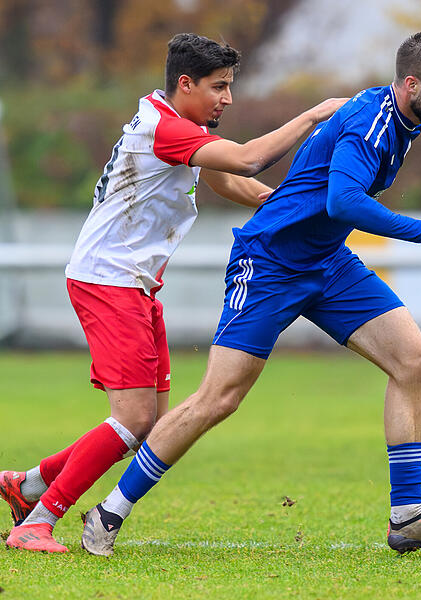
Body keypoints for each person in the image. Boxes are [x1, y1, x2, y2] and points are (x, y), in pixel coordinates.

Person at [80, 31, 421, 557]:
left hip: (327, 261)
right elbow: (343, 203)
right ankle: (107, 513)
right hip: (269, 263)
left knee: (415, 360)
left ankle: (408, 515)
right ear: (412, 85)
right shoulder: (373, 123)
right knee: (218, 399)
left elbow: (329, 202)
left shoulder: (401, 117)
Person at [0, 33, 346, 553]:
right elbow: (249, 160)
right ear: (185, 84)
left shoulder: (175, 124)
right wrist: (314, 115)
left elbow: (231, 181)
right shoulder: (166, 128)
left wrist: (285, 207)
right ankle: (39, 521)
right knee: (133, 419)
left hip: (129, 283)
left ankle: (27, 486)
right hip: (108, 280)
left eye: (230, 86)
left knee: (147, 425)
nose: (227, 98)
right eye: (218, 87)